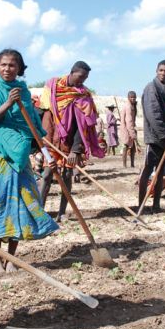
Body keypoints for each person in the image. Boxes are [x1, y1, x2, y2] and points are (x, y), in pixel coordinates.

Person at [0, 49, 59, 272]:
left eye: (12, 65)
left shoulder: (25, 93)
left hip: (20, 156)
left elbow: (33, 127)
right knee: (0, 201)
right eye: (3, 65)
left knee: (21, 203)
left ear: (19, 68)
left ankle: (12, 258)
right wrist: (8, 104)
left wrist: (47, 156)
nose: (7, 69)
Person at [39, 61, 104, 222]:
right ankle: (39, 213)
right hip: (51, 139)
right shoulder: (52, 86)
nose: (83, 81)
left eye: (86, 78)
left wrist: (76, 150)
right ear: (72, 72)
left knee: (67, 175)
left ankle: (61, 212)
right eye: (81, 77)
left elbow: (82, 127)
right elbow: (44, 114)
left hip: (70, 142)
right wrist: (42, 142)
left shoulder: (83, 95)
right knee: (47, 174)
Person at [139, 60, 165, 212]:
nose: (163, 73)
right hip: (155, 137)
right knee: (147, 170)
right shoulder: (151, 88)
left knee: (160, 172)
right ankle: (140, 205)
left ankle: (156, 205)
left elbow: (164, 110)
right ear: (156, 71)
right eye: (160, 70)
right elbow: (153, 114)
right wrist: (164, 134)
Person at [119, 91, 139, 168]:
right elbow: (129, 121)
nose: (133, 99)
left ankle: (132, 164)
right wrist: (133, 134)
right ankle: (124, 165)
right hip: (126, 129)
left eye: (134, 97)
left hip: (131, 127)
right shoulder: (128, 107)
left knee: (133, 147)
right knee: (126, 146)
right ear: (128, 98)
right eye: (131, 97)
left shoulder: (132, 105)